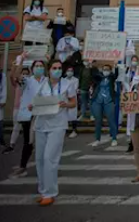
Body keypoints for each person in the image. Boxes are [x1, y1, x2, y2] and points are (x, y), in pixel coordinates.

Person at [29, 59, 76, 206]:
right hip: (41, 124)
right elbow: (36, 101)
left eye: (59, 68)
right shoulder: (42, 84)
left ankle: (50, 192)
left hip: (58, 124)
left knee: (50, 158)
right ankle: (43, 191)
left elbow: (74, 102)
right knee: (40, 159)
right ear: (49, 70)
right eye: (54, 68)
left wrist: (66, 104)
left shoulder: (68, 84)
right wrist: (32, 106)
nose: (57, 70)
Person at [8, 58, 45, 178]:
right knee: (27, 142)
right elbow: (16, 76)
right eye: (37, 66)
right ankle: (22, 167)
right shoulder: (28, 80)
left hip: (43, 115)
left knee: (42, 141)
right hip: (28, 115)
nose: (39, 68)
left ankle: (45, 166)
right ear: (32, 69)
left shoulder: (47, 81)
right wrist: (20, 61)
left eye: (41, 66)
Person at [90, 63, 119, 147]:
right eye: (104, 69)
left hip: (108, 101)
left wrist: (116, 67)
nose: (105, 71)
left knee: (111, 120)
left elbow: (116, 75)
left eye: (107, 69)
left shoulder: (111, 78)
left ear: (110, 71)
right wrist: (91, 66)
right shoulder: (99, 78)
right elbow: (93, 75)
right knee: (98, 120)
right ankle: (97, 139)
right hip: (98, 101)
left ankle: (114, 138)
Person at [64, 66, 79, 138]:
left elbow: (75, 88)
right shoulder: (63, 80)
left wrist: (67, 92)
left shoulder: (76, 80)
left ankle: (74, 130)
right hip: (64, 99)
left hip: (72, 98)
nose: (69, 72)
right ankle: (64, 130)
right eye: (68, 70)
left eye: (71, 71)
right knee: (64, 114)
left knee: (73, 115)